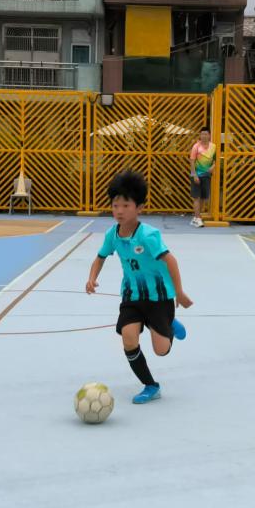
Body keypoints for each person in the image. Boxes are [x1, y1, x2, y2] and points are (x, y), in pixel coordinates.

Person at [86, 170, 193, 403]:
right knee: (128, 337)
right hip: (132, 296)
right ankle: (150, 385)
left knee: (161, 350)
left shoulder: (148, 235)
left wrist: (179, 292)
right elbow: (100, 257)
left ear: (139, 208)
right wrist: (91, 277)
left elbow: (171, 261)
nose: (119, 211)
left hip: (159, 297)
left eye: (126, 205)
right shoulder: (112, 235)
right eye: (115, 205)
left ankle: (168, 324)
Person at [188, 126, 216, 228]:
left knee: (203, 198)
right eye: (202, 134)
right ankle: (198, 218)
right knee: (196, 197)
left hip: (206, 175)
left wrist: (213, 166)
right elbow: (192, 161)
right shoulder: (196, 146)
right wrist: (194, 175)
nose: (204, 136)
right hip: (196, 175)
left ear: (209, 135)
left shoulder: (213, 147)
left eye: (206, 134)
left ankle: (197, 217)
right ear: (200, 135)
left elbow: (216, 160)